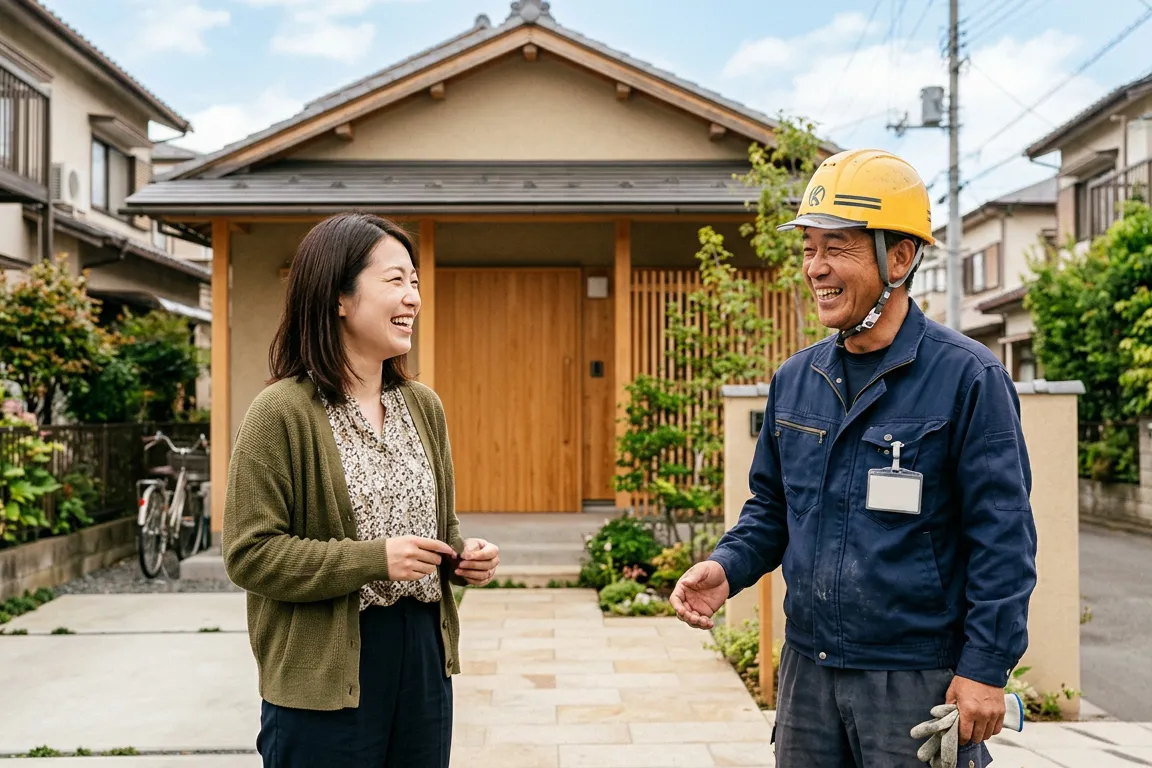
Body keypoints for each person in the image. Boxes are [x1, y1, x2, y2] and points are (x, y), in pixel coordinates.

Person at [670, 149, 1037, 768]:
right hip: (808, 676)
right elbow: (772, 509)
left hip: (914, 681)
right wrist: (727, 566)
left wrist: (984, 668)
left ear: (900, 256)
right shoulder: (796, 380)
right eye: (808, 249)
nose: (815, 268)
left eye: (836, 247)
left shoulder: (968, 378)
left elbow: (1002, 539)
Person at [222, 212, 500, 768]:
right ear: (339, 298)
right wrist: (373, 559)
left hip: (422, 658)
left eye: (415, 281)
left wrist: (463, 558)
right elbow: (250, 555)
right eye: (395, 280)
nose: (413, 297)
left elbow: (440, 532)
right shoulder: (279, 413)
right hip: (325, 672)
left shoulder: (423, 406)